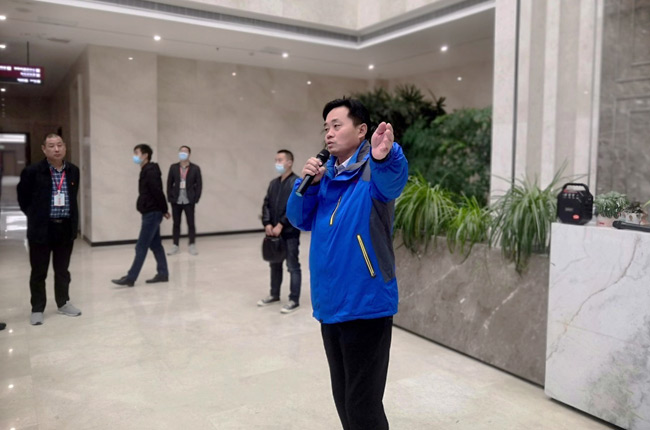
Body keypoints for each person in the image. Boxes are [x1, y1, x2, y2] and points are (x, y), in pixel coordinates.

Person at [287, 98, 408, 430]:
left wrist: (385, 156)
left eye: (337, 125)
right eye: (326, 127)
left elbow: (393, 180)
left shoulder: (373, 172)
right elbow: (298, 219)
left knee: (363, 404)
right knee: (343, 398)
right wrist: (306, 184)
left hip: (366, 304)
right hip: (330, 304)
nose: (329, 133)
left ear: (361, 130)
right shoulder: (324, 177)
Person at [17, 133, 82, 326]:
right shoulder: (32, 171)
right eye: (51, 146)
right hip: (41, 230)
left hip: (65, 228)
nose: (56, 149)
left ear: (65, 147)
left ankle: (63, 302)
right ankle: (37, 308)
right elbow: (23, 199)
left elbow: (73, 196)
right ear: (44, 149)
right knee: (39, 272)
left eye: (60, 145)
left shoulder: (73, 171)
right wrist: (35, 216)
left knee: (62, 270)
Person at [112, 144, 170, 287]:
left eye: (137, 153)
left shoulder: (150, 171)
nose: (135, 156)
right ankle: (163, 273)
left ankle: (131, 277)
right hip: (151, 212)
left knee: (141, 246)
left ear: (145, 155)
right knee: (156, 245)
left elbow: (157, 191)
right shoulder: (146, 170)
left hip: (152, 213)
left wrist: (164, 209)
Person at [257, 149, 302, 314]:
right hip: (273, 233)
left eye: (280, 160)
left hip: (289, 233)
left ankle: (294, 299)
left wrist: (281, 224)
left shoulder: (297, 182)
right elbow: (266, 204)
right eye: (276, 160)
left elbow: (294, 206)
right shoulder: (273, 184)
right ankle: (274, 294)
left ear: (289, 162)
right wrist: (267, 223)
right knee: (274, 264)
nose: (277, 163)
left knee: (292, 265)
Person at [166, 145, 202, 256]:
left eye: (185, 151)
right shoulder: (173, 167)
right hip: (176, 200)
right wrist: (170, 197)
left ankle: (192, 245)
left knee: (191, 223)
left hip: (189, 200)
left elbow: (199, 184)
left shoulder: (195, 168)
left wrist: (196, 198)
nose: (183, 153)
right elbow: (169, 183)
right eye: (181, 151)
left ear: (189, 154)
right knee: (176, 223)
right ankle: (175, 245)